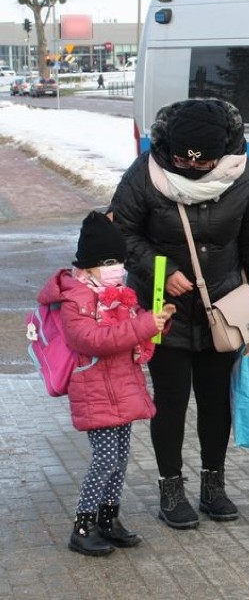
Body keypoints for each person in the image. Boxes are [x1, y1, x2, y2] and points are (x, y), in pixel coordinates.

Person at [109, 98, 249, 529]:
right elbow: (120, 234)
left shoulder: (244, 174)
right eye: (184, 159)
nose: (193, 167)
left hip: (222, 306)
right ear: (171, 149)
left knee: (216, 400)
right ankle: (170, 490)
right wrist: (159, 273)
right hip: (161, 312)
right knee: (170, 401)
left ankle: (213, 486)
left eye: (203, 161)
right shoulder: (145, 174)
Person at [36, 210, 175, 556]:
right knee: (105, 459)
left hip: (122, 389)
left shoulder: (118, 294)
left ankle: (108, 519)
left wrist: (157, 322)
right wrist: (143, 327)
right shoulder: (76, 299)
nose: (118, 268)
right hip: (96, 392)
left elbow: (134, 333)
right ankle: (82, 526)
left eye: (121, 261)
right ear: (90, 264)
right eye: (110, 261)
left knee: (120, 457)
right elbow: (93, 340)